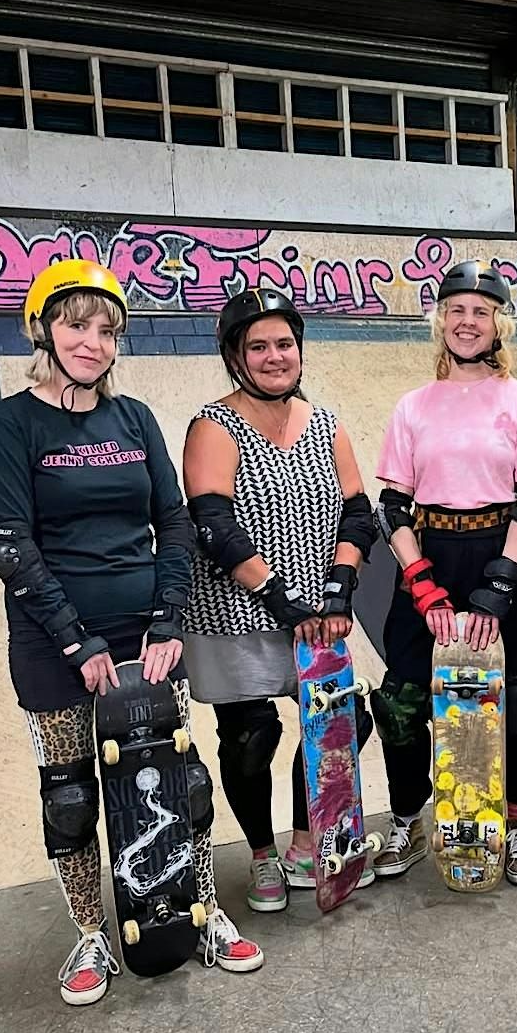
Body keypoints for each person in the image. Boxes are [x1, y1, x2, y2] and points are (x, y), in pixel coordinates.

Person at [0, 259, 262, 1007]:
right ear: (43, 328)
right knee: (69, 796)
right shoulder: (11, 422)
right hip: (53, 641)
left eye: (106, 331)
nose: (93, 342)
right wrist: (79, 642)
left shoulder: (133, 417)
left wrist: (166, 620)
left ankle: (196, 911)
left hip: (146, 637)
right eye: (77, 325)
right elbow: (10, 544)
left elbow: (172, 521)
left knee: (180, 783)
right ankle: (91, 933)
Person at [182, 288, 376, 914]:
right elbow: (212, 523)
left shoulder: (324, 422)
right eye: (258, 346)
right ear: (235, 356)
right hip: (233, 614)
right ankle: (260, 857)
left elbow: (357, 513)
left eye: (284, 344)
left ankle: (304, 841)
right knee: (249, 736)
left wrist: (339, 587)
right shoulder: (214, 424)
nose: (274, 357)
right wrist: (278, 597)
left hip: (317, 614)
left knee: (342, 722)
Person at [370, 261, 517, 885]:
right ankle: (407, 819)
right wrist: (422, 583)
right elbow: (392, 504)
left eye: (481, 311)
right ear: (439, 320)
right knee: (400, 702)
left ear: (499, 323)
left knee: (516, 701)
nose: (467, 322)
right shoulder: (413, 405)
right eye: (457, 310)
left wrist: (499, 584)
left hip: (508, 555)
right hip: (429, 556)